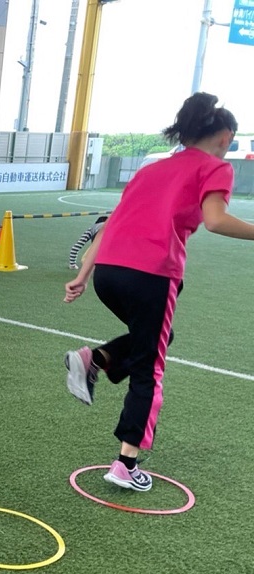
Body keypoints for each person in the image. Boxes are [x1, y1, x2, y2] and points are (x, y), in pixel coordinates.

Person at [63, 92, 254, 492]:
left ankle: (96, 358)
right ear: (225, 138)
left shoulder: (151, 170)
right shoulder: (216, 167)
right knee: (150, 368)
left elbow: (109, 224)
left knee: (157, 339)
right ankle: (125, 464)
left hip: (108, 274)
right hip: (151, 274)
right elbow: (216, 220)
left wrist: (84, 273)